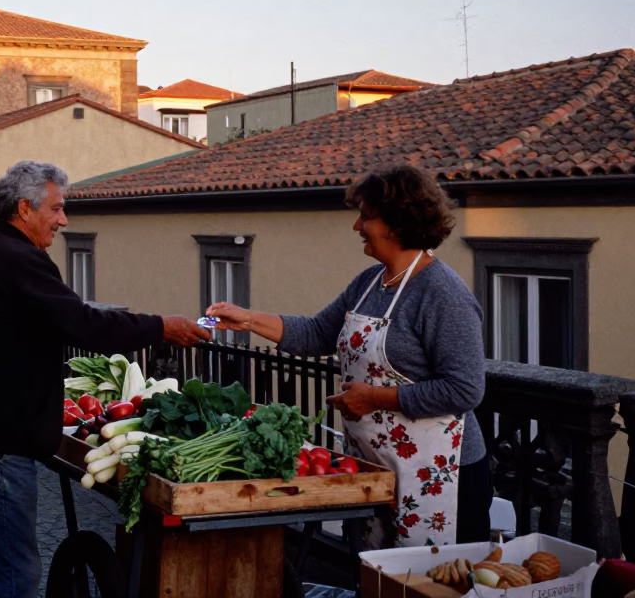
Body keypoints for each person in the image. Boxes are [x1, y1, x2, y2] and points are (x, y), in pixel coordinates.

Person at [0, 161, 210, 597]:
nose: (64, 219)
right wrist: (161, 327)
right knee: (9, 575)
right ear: (25, 208)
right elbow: (83, 323)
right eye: (57, 209)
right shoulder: (17, 259)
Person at [207, 164, 489, 548]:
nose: (357, 226)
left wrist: (372, 398)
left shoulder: (444, 294)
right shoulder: (370, 281)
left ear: (395, 223)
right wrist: (247, 319)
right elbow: (317, 332)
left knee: (432, 583)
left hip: (444, 477)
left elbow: (464, 389)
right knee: (378, 578)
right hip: (379, 468)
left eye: (366, 217)